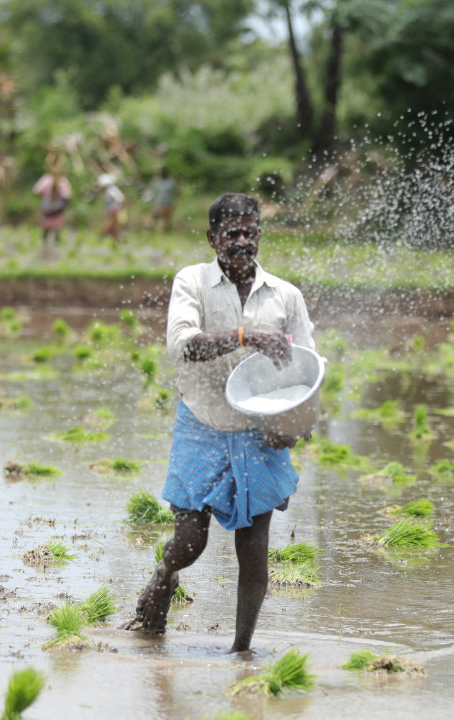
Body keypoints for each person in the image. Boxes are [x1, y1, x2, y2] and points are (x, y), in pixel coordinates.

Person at [119, 193, 314, 653]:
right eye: (232, 233)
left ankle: (241, 650)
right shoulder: (193, 282)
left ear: (260, 235)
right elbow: (182, 345)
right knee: (189, 542)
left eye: (250, 232)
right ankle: (164, 575)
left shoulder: (285, 296)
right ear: (212, 238)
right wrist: (245, 336)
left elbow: (308, 368)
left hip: (259, 431)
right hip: (203, 421)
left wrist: (297, 425)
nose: (242, 241)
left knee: (254, 549)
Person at [33, 154, 72, 243]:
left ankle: (45, 247)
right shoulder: (63, 181)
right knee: (57, 231)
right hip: (58, 208)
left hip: (47, 207)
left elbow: (36, 191)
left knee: (45, 231)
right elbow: (67, 196)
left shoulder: (46, 179)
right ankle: (55, 247)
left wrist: (45, 196)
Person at [95, 173, 126, 243]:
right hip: (112, 212)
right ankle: (117, 242)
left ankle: (99, 240)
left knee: (109, 228)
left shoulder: (112, 191)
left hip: (114, 212)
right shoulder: (107, 192)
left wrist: (118, 211)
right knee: (113, 230)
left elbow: (121, 200)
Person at [150, 167, 177, 233]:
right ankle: (153, 230)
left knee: (167, 218)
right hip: (158, 203)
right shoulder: (157, 182)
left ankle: (167, 230)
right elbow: (153, 192)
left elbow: (174, 192)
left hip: (167, 203)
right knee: (155, 217)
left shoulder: (171, 182)